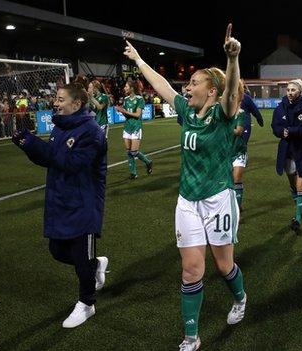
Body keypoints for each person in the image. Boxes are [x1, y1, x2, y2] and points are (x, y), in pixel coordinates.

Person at [124, 24, 246, 351]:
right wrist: (137, 58)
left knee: (223, 266)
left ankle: (240, 298)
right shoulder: (185, 112)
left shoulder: (223, 115)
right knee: (191, 271)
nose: (186, 87)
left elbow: (232, 93)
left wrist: (232, 58)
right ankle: (191, 337)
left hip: (218, 201)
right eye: (188, 82)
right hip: (187, 203)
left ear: (211, 91)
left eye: (194, 83)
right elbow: (161, 84)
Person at [11, 82, 108, 328]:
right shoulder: (60, 126)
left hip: (83, 203)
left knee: (80, 258)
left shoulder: (92, 131)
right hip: (61, 199)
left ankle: (87, 303)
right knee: (57, 251)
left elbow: (72, 163)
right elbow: (51, 159)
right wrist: (27, 144)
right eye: (56, 98)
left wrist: (35, 145)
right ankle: (96, 264)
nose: (56, 102)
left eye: (61, 99)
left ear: (76, 104)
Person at [271, 79, 302, 232]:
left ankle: (297, 219)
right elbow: (275, 126)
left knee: (300, 185)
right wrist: (280, 132)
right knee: (293, 185)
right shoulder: (280, 108)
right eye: (288, 90)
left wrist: (292, 131)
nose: (290, 92)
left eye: (293, 90)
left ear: (300, 92)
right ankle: (300, 206)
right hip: (287, 152)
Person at [232, 82, 264, 212]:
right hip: (225, 145)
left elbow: (255, 111)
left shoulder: (246, 98)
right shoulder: (224, 99)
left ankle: (237, 209)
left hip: (242, 130)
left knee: (237, 178)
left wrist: (260, 120)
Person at [115, 80, 152, 179]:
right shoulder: (126, 99)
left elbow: (137, 114)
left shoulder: (140, 99)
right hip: (127, 127)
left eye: (126, 86)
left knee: (134, 152)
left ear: (131, 88)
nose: (124, 88)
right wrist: (120, 111)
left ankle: (148, 162)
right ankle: (133, 173)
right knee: (129, 152)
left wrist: (124, 110)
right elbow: (126, 114)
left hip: (136, 127)